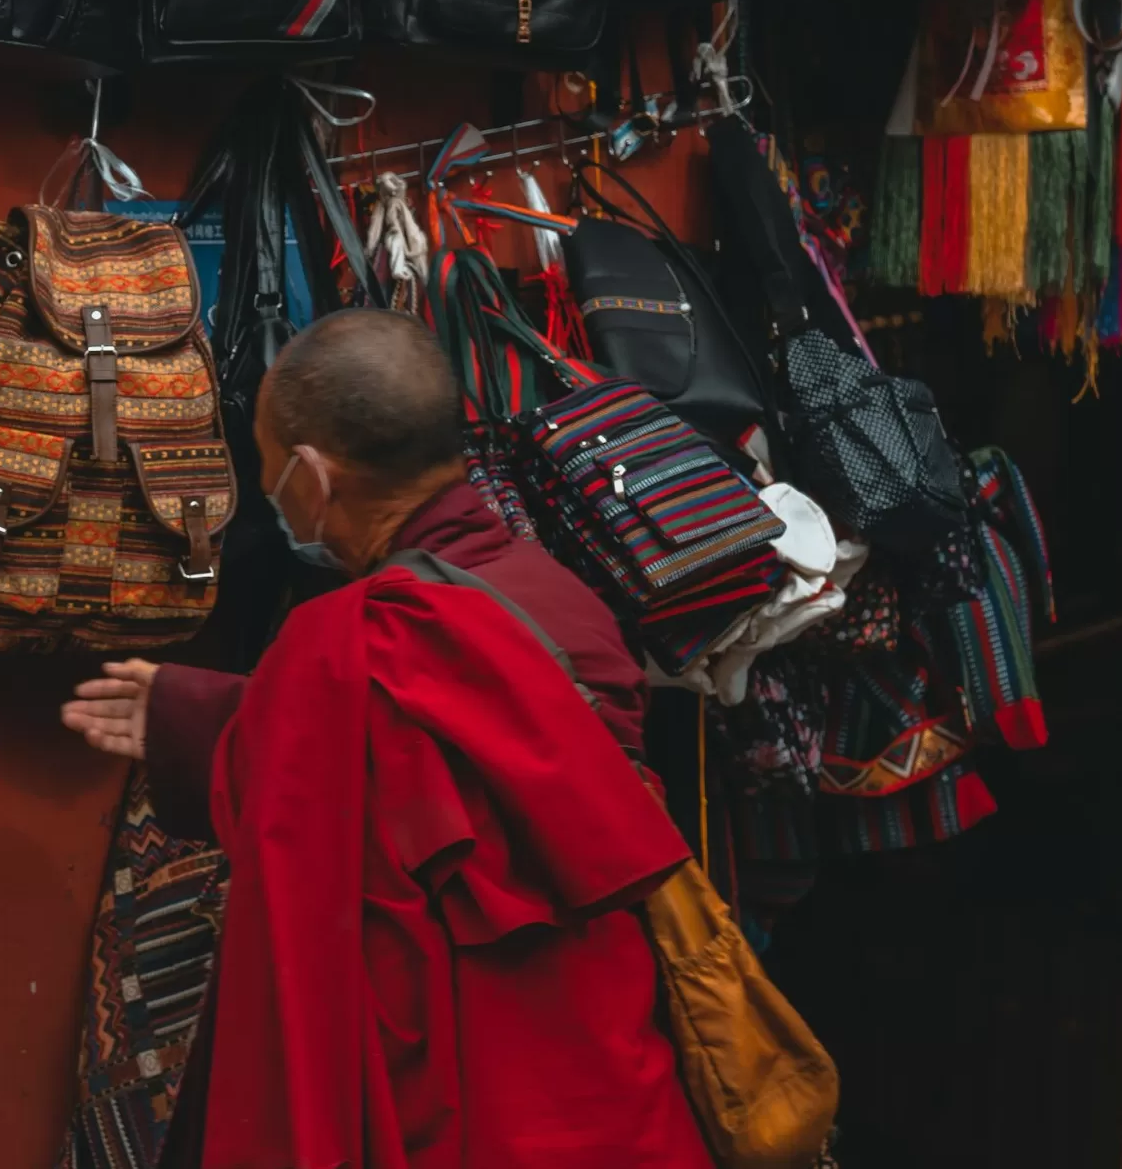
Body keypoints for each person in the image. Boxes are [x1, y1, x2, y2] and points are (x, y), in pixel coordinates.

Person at [62, 308, 712, 1169]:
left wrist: (225, 719)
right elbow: (469, 751)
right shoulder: (561, 600)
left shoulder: (348, 648)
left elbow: (353, 768)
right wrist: (214, 716)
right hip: (602, 1071)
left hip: (455, 1103)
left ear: (309, 476)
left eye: (267, 471)